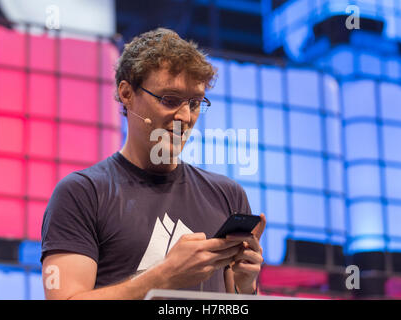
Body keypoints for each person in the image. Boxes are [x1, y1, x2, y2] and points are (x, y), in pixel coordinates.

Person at [41, 28, 266, 300]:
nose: (185, 116)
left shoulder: (228, 195)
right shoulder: (82, 194)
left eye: (195, 104)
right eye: (169, 100)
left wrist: (246, 286)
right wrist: (164, 277)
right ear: (126, 93)